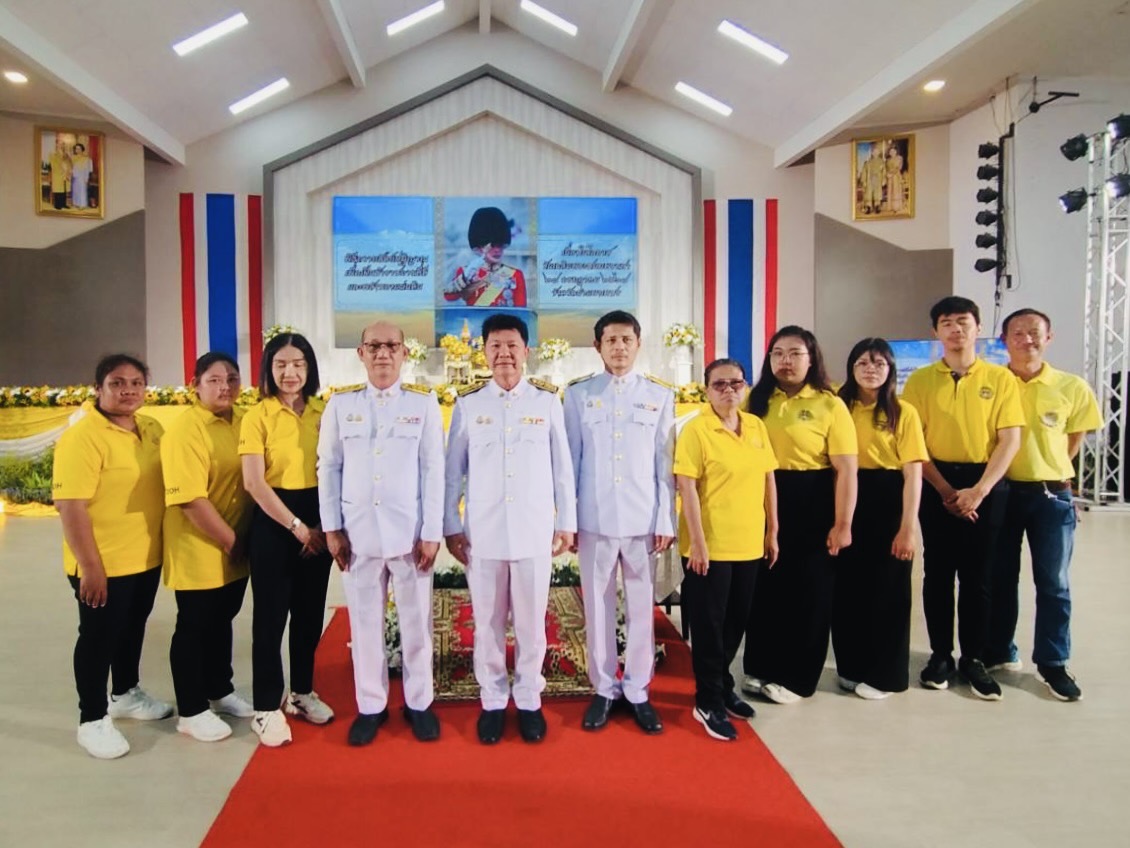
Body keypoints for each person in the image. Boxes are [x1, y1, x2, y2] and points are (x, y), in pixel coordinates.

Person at [444, 313, 576, 744]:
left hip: (533, 530)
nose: (504, 354)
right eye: (495, 346)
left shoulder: (546, 401)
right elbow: (452, 472)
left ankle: (530, 698)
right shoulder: (468, 403)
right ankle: (493, 699)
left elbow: (562, 469)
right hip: (482, 533)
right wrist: (450, 525)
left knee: (532, 621)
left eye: (512, 345)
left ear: (526, 351)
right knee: (487, 622)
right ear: (484, 352)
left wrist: (566, 522)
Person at [318, 321, 445, 746]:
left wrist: (432, 531)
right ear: (361, 353)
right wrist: (332, 528)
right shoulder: (341, 405)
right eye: (374, 346)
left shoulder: (423, 403)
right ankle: (371, 705)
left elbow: (433, 470)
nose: (383, 353)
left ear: (405, 353)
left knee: (416, 623)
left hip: (410, 534)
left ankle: (419, 702)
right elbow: (328, 467)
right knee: (365, 623)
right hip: (358, 535)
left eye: (392, 346)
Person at [901, 296, 1024, 700]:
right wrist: (944, 489)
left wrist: (980, 490)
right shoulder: (920, 381)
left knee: (979, 577)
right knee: (937, 574)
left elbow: (1010, 439)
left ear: (978, 328)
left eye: (963, 322)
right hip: (936, 480)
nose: (956, 329)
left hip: (986, 482)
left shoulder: (1000, 379)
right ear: (935, 331)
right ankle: (940, 656)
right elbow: (914, 442)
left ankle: (974, 658)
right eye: (947, 323)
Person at [54, 354, 172, 759]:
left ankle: (125, 693)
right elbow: (70, 505)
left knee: (132, 627)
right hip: (102, 562)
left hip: (145, 557)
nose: (127, 391)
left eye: (136, 383)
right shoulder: (83, 437)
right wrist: (91, 567)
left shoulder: (151, 428)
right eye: (117, 383)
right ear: (98, 389)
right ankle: (92, 719)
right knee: (98, 637)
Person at [563, 310, 675, 735]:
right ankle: (605, 687)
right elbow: (570, 463)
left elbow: (664, 465)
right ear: (598, 346)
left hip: (642, 518)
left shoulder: (658, 395)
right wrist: (569, 521)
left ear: (638, 343)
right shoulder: (579, 395)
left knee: (642, 608)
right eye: (611, 340)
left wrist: (665, 518)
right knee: (597, 605)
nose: (619, 347)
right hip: (594, 518)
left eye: (627, 339)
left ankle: (639, 689)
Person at [987, 308, 1100, 701]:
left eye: (1034, 332)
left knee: (1054, 583)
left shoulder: (1071, 386)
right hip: (1002, 493)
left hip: (1052, 497)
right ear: (1004, 340)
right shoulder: (993, 383)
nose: (1027, 340)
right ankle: (999, 649)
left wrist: (1051, 469)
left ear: (1049, 338)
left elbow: (1075, 436)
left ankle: (1053, 662)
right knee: (999, 577)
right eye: (1017, 333)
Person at [742, 326, 858, 705]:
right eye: (778, 353)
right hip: (763, 496)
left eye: (795, 353)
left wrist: (843, 524)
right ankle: (761, 666)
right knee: (766, 587)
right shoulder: (756, 399)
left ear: (812, 359)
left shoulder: (830, 404)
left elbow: (846, 470)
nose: (786, 361)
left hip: (812, 498)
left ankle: (798, 678)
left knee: (809, 590)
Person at [676, 358, 778, 741]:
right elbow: (687, 487)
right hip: (710, 546)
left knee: (736, 620)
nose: (729, 390)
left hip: (748, 542)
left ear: (745, 386)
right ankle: (707, 700)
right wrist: (698, 544)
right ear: (707, 390)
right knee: (709, 627)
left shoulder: (755, 426)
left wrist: (773, 530)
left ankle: (722, 685)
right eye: (719, 384)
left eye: (736, 383)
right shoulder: (696, 430)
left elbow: (768, 478)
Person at [239, 332, 333, 746]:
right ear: (268, 369)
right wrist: (297, 527)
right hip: (275, 522)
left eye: (298, 364)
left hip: (319, 519)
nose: (290, 372)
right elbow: (254, 483)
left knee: (310, 615)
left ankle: (302, 692)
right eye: (281, 365)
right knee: (270, 618)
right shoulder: (257, 416)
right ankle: (265, 707)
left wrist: (323, 527)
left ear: (309, 368)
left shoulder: (324, 412)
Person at [161, 352, 255, 743]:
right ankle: (192, 708)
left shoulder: (244, 420)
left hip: (235, 544)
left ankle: (219, 688)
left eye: (232, 378)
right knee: (195, 625)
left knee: (222, 618)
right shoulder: (186, 430)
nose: (225, 387)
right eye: (214, 380)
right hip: (200, 542)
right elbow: (189, 499)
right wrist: (231, 541)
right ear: (195, 385)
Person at [832, 339, 927, 699]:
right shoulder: (838, 405)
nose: (870, 369)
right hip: (844, 498)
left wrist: (908, 527)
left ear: (890, 369)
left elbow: (913, 474)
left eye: (878, 363)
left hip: (887, 501)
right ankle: (851, 666)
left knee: (888, 591)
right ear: (851, 367)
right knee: (847, 589)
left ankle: (886, 675)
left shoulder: (903, 412)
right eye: (862, 363)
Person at [444, 206, 527, 307]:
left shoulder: (515, 275)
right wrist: (465, 278)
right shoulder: (466, 273)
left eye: (500, 245)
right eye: (492, 245)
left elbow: (521, 311)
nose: (497, 250)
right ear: (480, 247)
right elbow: (448, 296)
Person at [858, 142, 886, 215]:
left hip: (878, 179)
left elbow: (884, 172)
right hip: (869, 179)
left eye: (877, 152)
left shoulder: (881, 162)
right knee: (869, 193)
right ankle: (868, 207)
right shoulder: (868, 162)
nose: (875, 153)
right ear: (872, 153)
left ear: (879, 153)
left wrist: (883, 180)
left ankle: (877, 206)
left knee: (877, 193)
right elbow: (864, 172)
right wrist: (864, 181)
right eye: (874, 152)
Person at [47, 136, 71, 210]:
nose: (61, 145)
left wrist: (68, 172)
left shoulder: (66, 154)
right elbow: (53, 165)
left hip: (65, 173)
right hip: (58, 174)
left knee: (64, 189)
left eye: (63, 144)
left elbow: (69, 163)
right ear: (56, 144)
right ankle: (57, 205)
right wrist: (62, 169)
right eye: (60, 143)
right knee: (58, 189)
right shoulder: (53, 154)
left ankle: (64, 204)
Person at [71, 142, 93, 209]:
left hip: (82, 177)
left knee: (82, 190)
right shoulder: (73, 158)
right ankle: (75, 203)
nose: (77, 150)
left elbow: (88, 170)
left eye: (79, 149)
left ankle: (82, 205)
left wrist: (86, 178)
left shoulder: (86, 159)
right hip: (75, 177)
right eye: (76, 149)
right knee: (75, 190)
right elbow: (71, 168)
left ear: (82, 149)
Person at [886, 144, 905, 214]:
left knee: (896, 191)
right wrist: (887, 174)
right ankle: (891, 207)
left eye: (893, 151)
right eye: (890, 151)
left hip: (896, 176)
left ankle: (897, 207)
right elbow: (886, 169)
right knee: (891, 191)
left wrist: (892, 173)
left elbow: (898, 167)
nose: (892, 152)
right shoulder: (888, 160)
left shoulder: (899, 158)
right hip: (890, 177)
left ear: (896, 151)